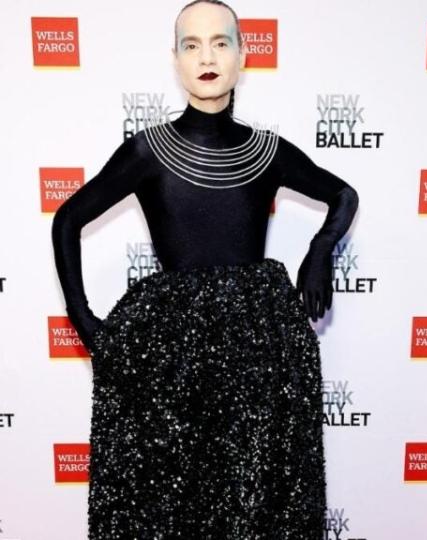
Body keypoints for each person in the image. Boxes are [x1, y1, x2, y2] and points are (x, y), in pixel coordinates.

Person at [50, 0, 359, 537]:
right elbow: (68, 218)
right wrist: (84, 322)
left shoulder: (267, 151)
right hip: (170, 347)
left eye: (221, 43)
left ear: (242, 56)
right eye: (191, 45)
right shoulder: (147, 152)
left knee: (258, 498)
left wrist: (320, 250)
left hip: (260, 343)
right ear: (175, 60)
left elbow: (343, 194)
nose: (206, 56)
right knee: (167, 499)